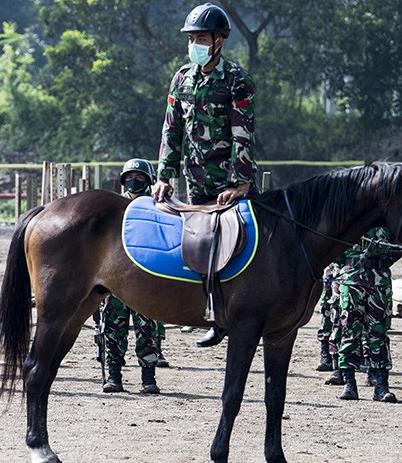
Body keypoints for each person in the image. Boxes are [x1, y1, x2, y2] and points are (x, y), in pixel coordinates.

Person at [152, 3, 256, 348]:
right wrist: (164, 175)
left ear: (219, 41)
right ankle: (205, 309)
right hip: (194, 181)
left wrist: (238, 184)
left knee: (235, 246)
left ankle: (229, 313)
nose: (194, 43)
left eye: (201, 37)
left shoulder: (237, 81)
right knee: (198, 245)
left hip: (229, 183)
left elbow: (243, 133)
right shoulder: (182, 78)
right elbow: (171, 131)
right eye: (191, 38)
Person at [101, 159, 168, 394]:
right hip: (116, 277)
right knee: (113, 328)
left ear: (148, 180)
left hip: (146, 277)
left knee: (147, 329)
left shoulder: (157, 205)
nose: (134, 181)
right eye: (130, 176)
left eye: (139, 177)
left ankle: (148, 377)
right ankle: (114, 375)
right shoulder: (115, 206)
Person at [334, 227, 402, 402]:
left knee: (378, 333)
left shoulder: (385, 222)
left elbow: (400, 246)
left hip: (379, 282)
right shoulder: (349, 217)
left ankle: (381, 386)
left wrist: (380, 261)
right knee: (350, 332)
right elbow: (334, 250)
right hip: (351, 280)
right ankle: (349, 384)